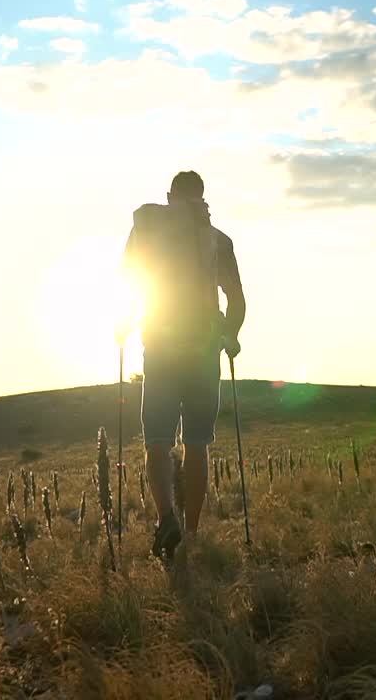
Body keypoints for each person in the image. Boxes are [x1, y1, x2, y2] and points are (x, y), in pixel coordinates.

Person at [118, 170, 245, 560]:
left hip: (159, 346)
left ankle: (165, 517)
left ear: (170, 196)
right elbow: (237, 299)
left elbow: (127, 281)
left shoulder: (146, 229)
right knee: (197, 443)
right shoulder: (218, 240)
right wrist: (231, 335)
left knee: (156, 441)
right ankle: (190, 531)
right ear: (203, 197)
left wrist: (123, 326)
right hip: (204, 349)